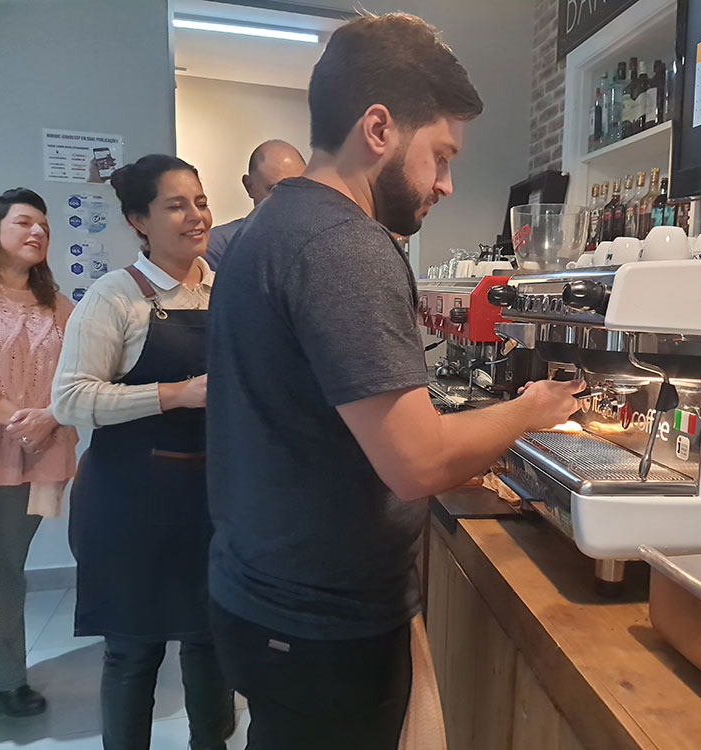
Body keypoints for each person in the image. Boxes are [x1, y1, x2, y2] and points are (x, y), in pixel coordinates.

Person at [207, 13, 584, 750]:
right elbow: (418, 462)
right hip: (319, 622)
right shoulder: (348, 246)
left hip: (259, 592)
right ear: (378, 129)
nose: (446, 183)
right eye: (440, 155)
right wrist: (530, 409)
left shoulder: (266, 227)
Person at [52, 155, 234, 750]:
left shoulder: (227, 291)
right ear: (138, 220)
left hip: (211, 501)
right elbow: (70, 399)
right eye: (176, 205)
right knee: (133, 650)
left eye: (200, 201)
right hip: (130, 504)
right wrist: (176, 393)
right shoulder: (114, 297)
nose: (196, 216)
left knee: (211, 643)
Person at [0, 188, 78, 717]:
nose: (38, 231)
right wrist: (14, 416)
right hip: (14, 433)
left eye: (44, 225)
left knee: (5, 567)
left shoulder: (60, 307)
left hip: (33, 453)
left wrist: (47, 416)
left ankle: (7, 679)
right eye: (24, 222)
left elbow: (80, 376)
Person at [204, 140, 306, 269]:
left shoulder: (320, 239)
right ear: (249, 186)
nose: (289, 199)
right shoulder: (220, 246)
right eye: (276, 190)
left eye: (297, 188)